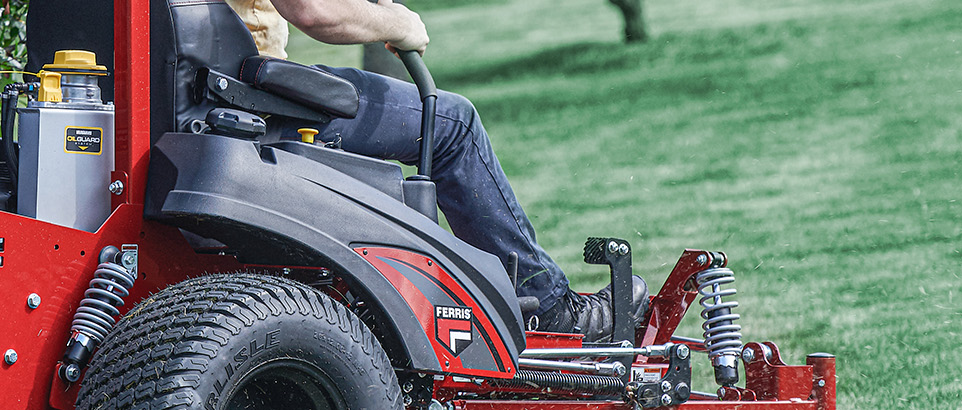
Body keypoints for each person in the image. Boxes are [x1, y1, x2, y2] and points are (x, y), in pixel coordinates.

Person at [223, 0, 648, 339]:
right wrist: (397, 23)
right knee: (452, 124)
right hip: (254, 101)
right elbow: (316, 9)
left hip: (200, 100)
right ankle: (548, 309)